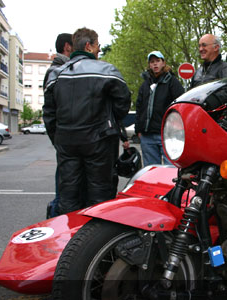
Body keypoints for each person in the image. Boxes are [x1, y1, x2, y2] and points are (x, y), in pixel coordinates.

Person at [43, 27, 131, 215]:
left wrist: (59, 139)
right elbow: (123, 104)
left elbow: (49, 114)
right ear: (89, 46)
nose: (99, 50)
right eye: (98, 45)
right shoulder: (106, 70)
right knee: (100, 197)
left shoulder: (56, 74)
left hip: (67, 143)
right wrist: (108, 125)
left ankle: (71, 239)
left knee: (68, 196)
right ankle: (98, 242)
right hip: (99, 143)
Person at [135, 51, 184, 166]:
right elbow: (139, 107)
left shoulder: (172, 82)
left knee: (170, 171)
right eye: (152, 62)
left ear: (163, 63)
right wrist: (139, 129)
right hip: (147, 135)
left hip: (168, 135)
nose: (155, 64)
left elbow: (180, 105)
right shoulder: (145, 85)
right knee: (151, 172)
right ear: (149, 65)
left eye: (158, 61)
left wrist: (177, 128)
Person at [43, 33, 73, 219]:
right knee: (63, 187)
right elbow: (50, 111)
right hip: (64, 138)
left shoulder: (61, 68)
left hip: (64, 137)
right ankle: (55, 221)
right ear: (67, 47)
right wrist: (58, 139)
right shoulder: (57, 70)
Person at [191, 34, 227, 110]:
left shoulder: (226, 68)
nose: (200, 49)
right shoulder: (198, 72)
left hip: (219, 119)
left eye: (204, 45)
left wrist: (206, 102)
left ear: (216, 47)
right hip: (198, 116)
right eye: (199, 46)